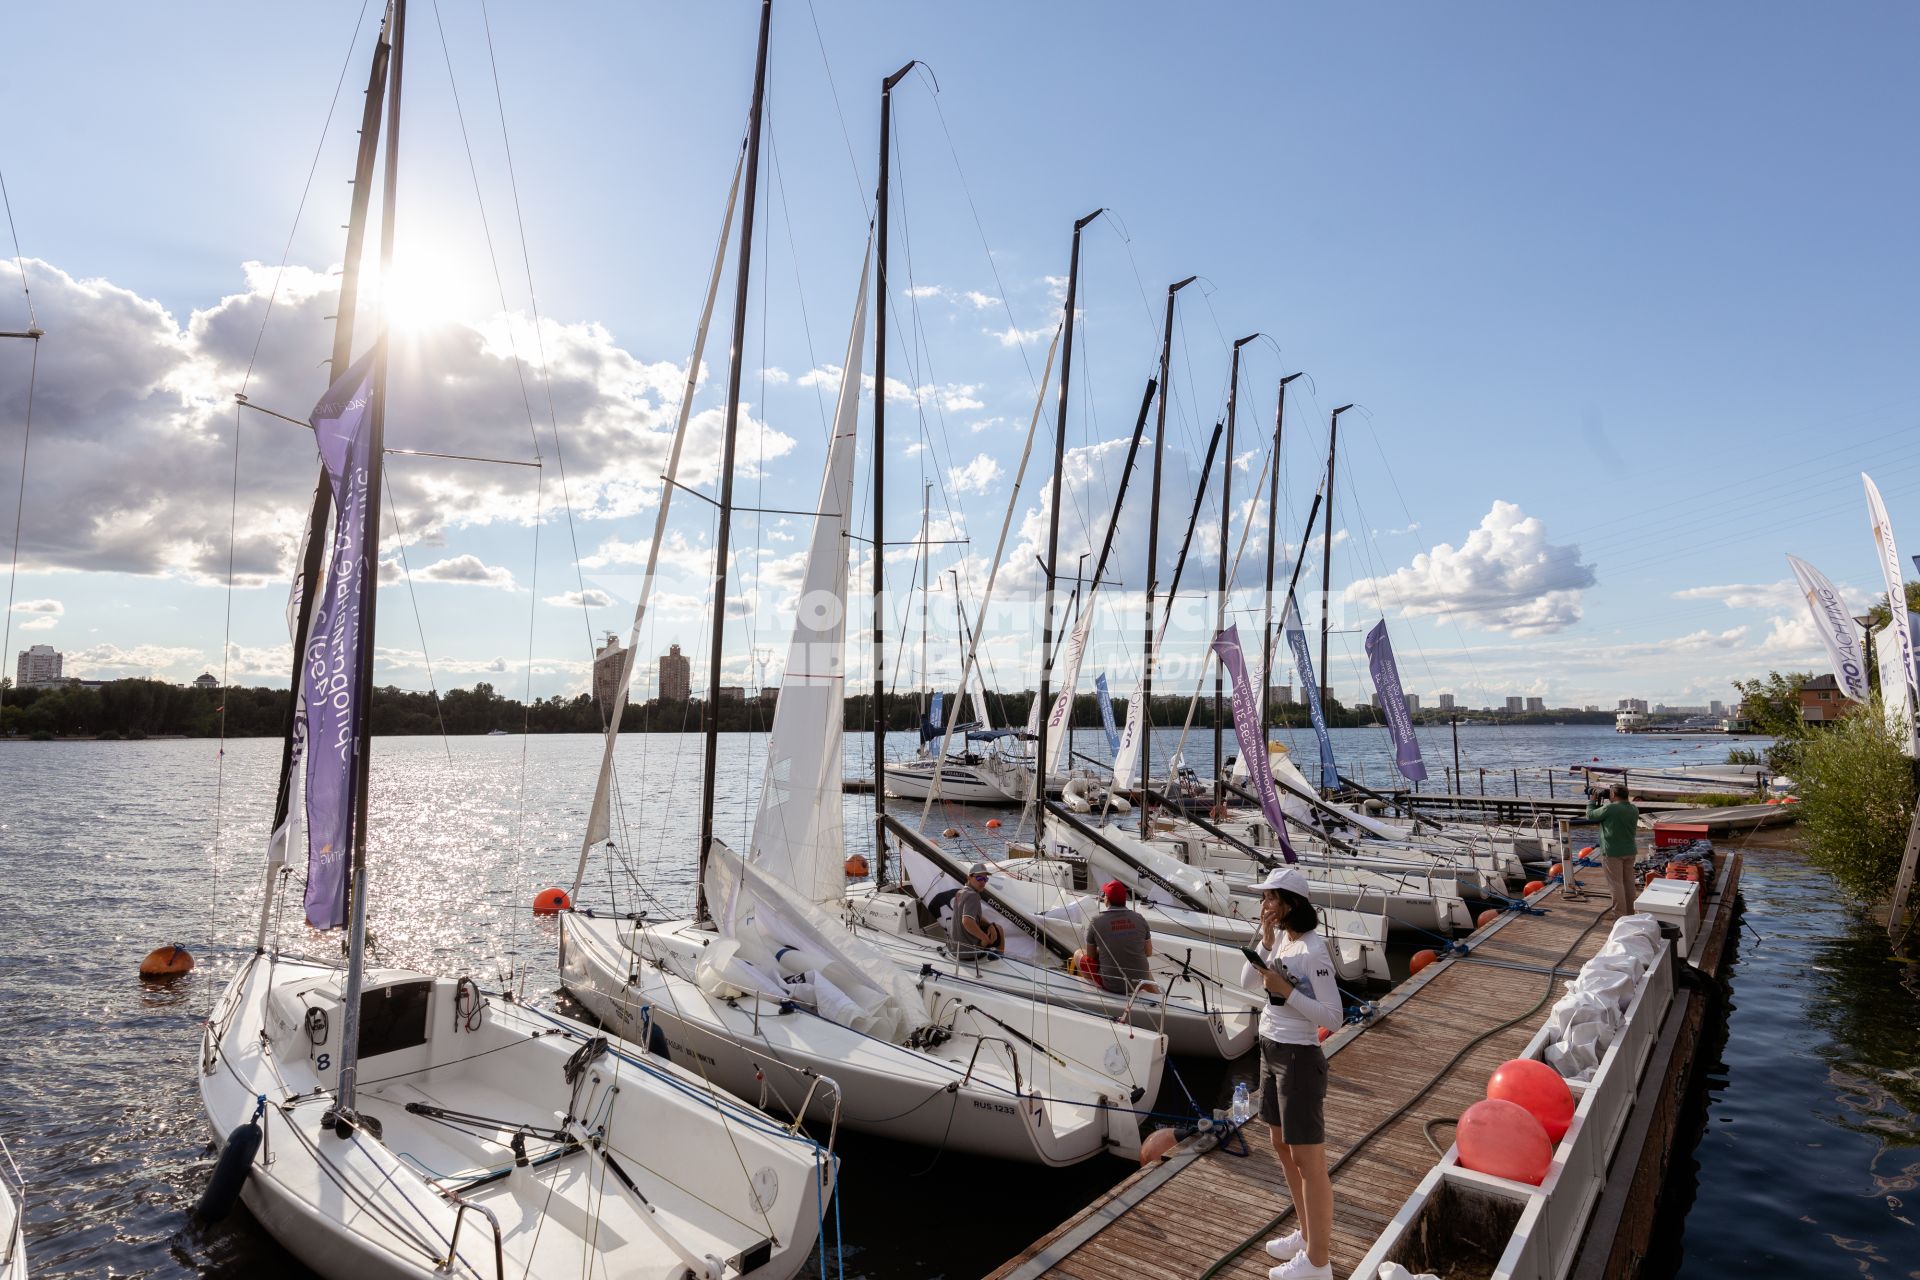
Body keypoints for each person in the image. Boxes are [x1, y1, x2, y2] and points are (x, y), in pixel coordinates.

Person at [1237, 866, 1341, 1280]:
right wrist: (1263, 939)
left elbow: (1333, 1016)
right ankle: (1307, 1234)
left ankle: (1319, 1262)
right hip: (1270, 1046)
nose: (1263, 905)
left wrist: (1287, 992)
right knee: (1279, 1143)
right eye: (1263, 899)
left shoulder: (1314, 950)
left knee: (1308, 1159)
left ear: (1290, 904)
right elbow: (1247, 980)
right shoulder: (1280, 937)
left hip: (1299, 1055)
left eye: (1270, 899)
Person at [1074, 880, 1159, 995]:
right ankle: (1159, 997)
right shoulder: (1139, 918)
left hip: (1112, 985)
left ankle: (1094, 993)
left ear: (1107, 900)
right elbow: (1148, 952)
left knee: (1078, 954)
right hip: (1140, 981)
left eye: (1104, 896)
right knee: (1139, 965)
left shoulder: (1096, 921)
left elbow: (1091, 956)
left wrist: (1106, 949)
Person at [1584, 782, 1642, 916]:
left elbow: (1591, 815)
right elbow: (1605, 815)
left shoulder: (1610, 808)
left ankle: (1619, 915)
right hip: (1629, 851)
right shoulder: (1633, 809)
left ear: (1613, 794)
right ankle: (1630, 912)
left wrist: (1592, 801)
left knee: (1616, 885)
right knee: (1628, 883)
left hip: (1612, 852)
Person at [949, 863, 1005, 958]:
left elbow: (973, 915)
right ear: (969, 877)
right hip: (969, 953)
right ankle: (1000, 958)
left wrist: (990, 925)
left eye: (985, 879)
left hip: (955, 949)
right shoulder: (973, 896)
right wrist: (984, 938)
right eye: (979, 878)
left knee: (995, 927)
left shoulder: (960, 893)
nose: (983, 882)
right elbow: (967, 921)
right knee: (999, 930)